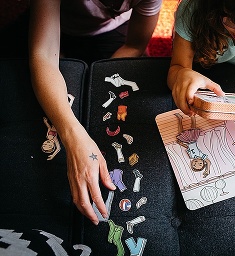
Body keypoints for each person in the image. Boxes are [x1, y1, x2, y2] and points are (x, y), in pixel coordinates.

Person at [28, 0, 162, 225]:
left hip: (111, 34)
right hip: (57, 23)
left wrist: (99, 83)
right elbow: (43, 56)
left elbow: (136, 44)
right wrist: (73, 135)